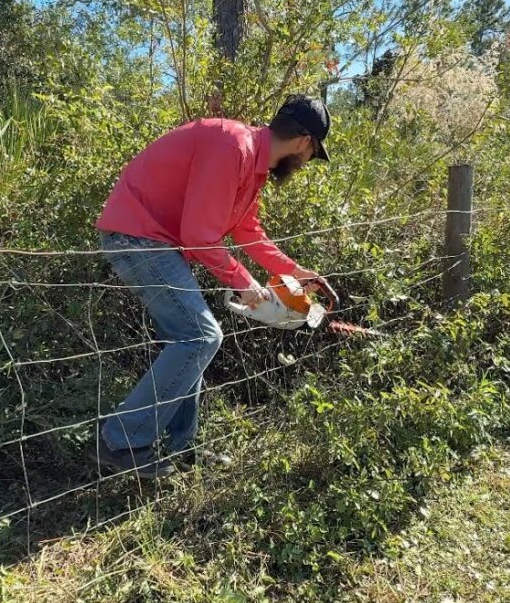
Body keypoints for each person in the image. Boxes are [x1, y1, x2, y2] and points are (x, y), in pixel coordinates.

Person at [90, 94, 332, 478]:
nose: (304, 164)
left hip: (155, 242)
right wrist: (246, 284)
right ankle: (122, 441)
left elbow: (247, 230)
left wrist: (295, 271)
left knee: (187, 340)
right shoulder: (231, 146)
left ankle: (180, 447)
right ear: (305, 143)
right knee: (201, 337)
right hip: (136, 238)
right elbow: (199, 237)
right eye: (311, 155)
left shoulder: (251, 164)